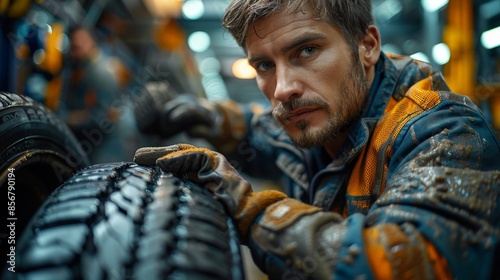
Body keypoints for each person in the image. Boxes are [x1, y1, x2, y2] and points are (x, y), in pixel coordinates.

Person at [134, 0, 500, 279]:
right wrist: (199, 114)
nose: (282, 89)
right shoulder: (315, 117)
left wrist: (249, 210)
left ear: (367, 45)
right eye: (264, 65)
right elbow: (256, 131)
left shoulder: (445, 134)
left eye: (306, 51)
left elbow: (401, 263)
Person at [59, 26, 124, 164]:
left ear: (91, 43)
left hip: (100, 152)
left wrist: (66, 119)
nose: (73, 53)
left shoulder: (101, 73)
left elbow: (104, 117)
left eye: (78, 47)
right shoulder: (81, 69)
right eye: (72, 48)